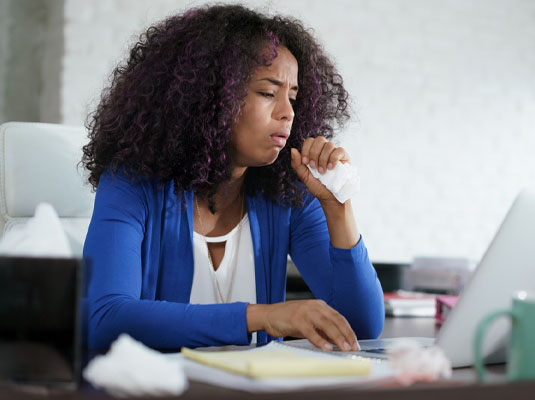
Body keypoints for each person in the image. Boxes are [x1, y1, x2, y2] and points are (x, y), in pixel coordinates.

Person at [82, 4, 384, 351]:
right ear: (210, 97)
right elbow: (105, 320)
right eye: (268, 93)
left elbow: (362, 326)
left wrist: (338, 206)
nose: (287, 113)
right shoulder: (131, 184)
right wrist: (264, 317)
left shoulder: (285, 194)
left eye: (293, 97)